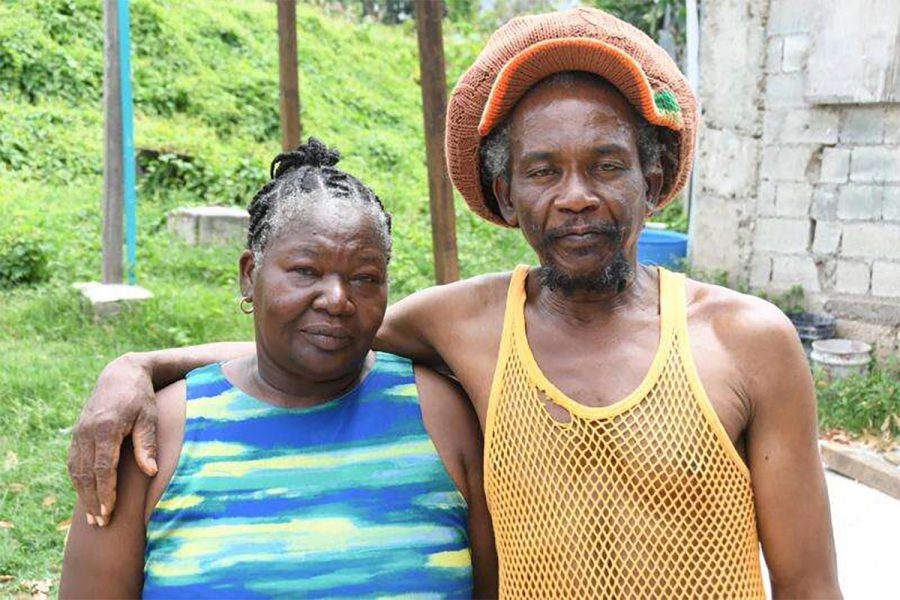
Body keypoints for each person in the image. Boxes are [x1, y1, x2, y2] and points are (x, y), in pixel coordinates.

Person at [68, 8, 841, 598]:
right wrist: (139, 366)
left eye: (607, 165)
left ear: (655, 177)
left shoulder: (748, 342)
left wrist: (145, 362)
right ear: (505, 194)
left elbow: (809, 586)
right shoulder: (468, 325)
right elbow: (320, 338)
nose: (576, 196)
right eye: (542, 171)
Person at [60, 139, 497, 598]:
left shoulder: (441, 417)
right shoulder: (153, 439)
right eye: (306, 271)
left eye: (365, 278)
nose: (337, 299)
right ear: (250, 274)